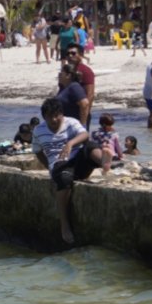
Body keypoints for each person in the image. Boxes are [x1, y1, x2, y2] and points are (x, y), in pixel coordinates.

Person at [34, 96, 107, 244]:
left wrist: (70, 143)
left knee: (89, 146)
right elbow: (37, 150)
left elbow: (85, 134)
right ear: (44, 117)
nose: (54, 120)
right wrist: (49, 164)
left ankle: (104, 162)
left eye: (57, 115)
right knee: (65, 179)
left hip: (78, 161)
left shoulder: (71, 122)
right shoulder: (38, 130)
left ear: (61, 114)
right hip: (60, 165)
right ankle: (64, 224)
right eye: (50, 117)